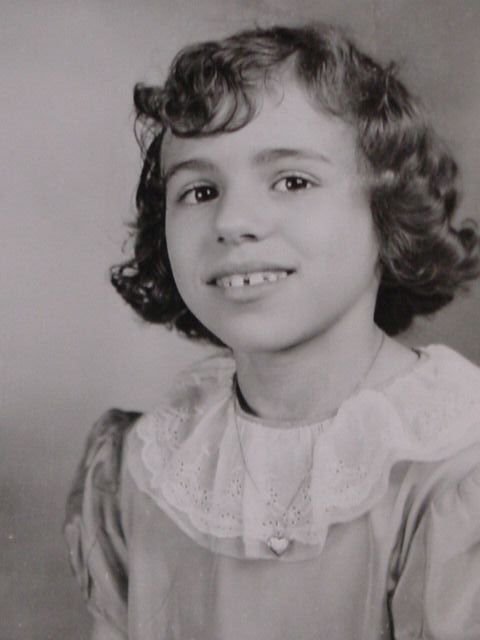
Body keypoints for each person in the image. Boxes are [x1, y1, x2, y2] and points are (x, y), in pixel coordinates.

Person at [64, 23, 480, 640]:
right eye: (200, 190)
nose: (233, 221)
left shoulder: (454, 466)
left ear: (388, 212)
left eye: (292, 181)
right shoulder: (144, 468)